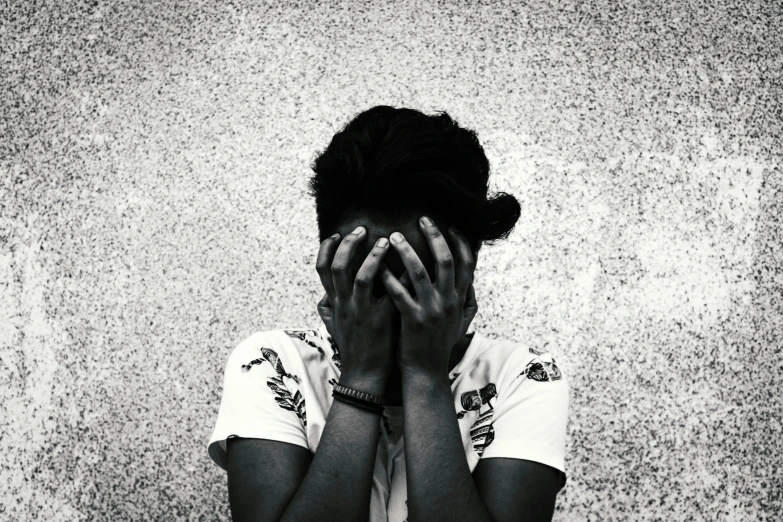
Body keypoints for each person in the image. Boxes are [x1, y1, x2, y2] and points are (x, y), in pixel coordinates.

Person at [207, 106, 569, 522]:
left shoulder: (524, 378)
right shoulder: (272, 363)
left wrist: (425, 376)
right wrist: (361, 376)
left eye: (417, 273)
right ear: (330, 266)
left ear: (464, 270)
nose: (396, 300)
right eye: (370, 273)